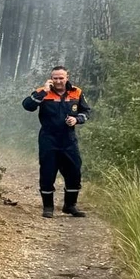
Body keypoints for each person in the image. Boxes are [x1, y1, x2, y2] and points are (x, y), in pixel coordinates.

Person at [21, 66, 91, 218]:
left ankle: (70, 205)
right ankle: (48, 207)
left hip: (69, 140)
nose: (58, 81)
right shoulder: (43, 91)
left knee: (74, 172)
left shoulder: (76, 92)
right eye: (55, 78)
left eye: (61, 78)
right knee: (47, 172)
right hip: (48, 139)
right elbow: (27, 106)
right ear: (51, 78)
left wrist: (77, 119)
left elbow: (86, 111)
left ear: (67, 77)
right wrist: (43, 92)